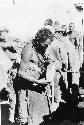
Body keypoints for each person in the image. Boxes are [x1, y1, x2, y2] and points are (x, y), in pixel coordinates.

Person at [15, 28, 55, 125]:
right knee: (26, 119)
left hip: (37, 89)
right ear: (38, 40)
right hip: (26, 90)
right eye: (45, 44)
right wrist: (37, 81)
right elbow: (20, 73)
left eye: (48, 45)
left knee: (39, 118)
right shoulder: (28, 50)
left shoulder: (41, 49)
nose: (46, 46)